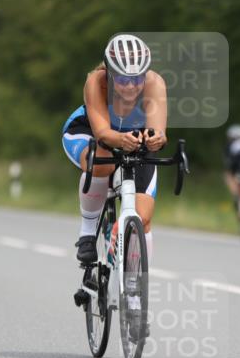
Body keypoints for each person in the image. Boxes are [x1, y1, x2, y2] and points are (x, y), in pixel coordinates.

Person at [61, 34, 167, 265]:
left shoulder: (155, 82)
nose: (131, 86)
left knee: (144, 218)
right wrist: (120, 140)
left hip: (133, 138)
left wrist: (156, 139)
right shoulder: (95, 81)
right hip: (90, 131)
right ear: (109, 74)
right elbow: (102, 133)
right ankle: (87, 232)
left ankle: (135, 283)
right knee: (103, 161)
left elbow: (158, 131)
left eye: (137, 78)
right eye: (122, 79)